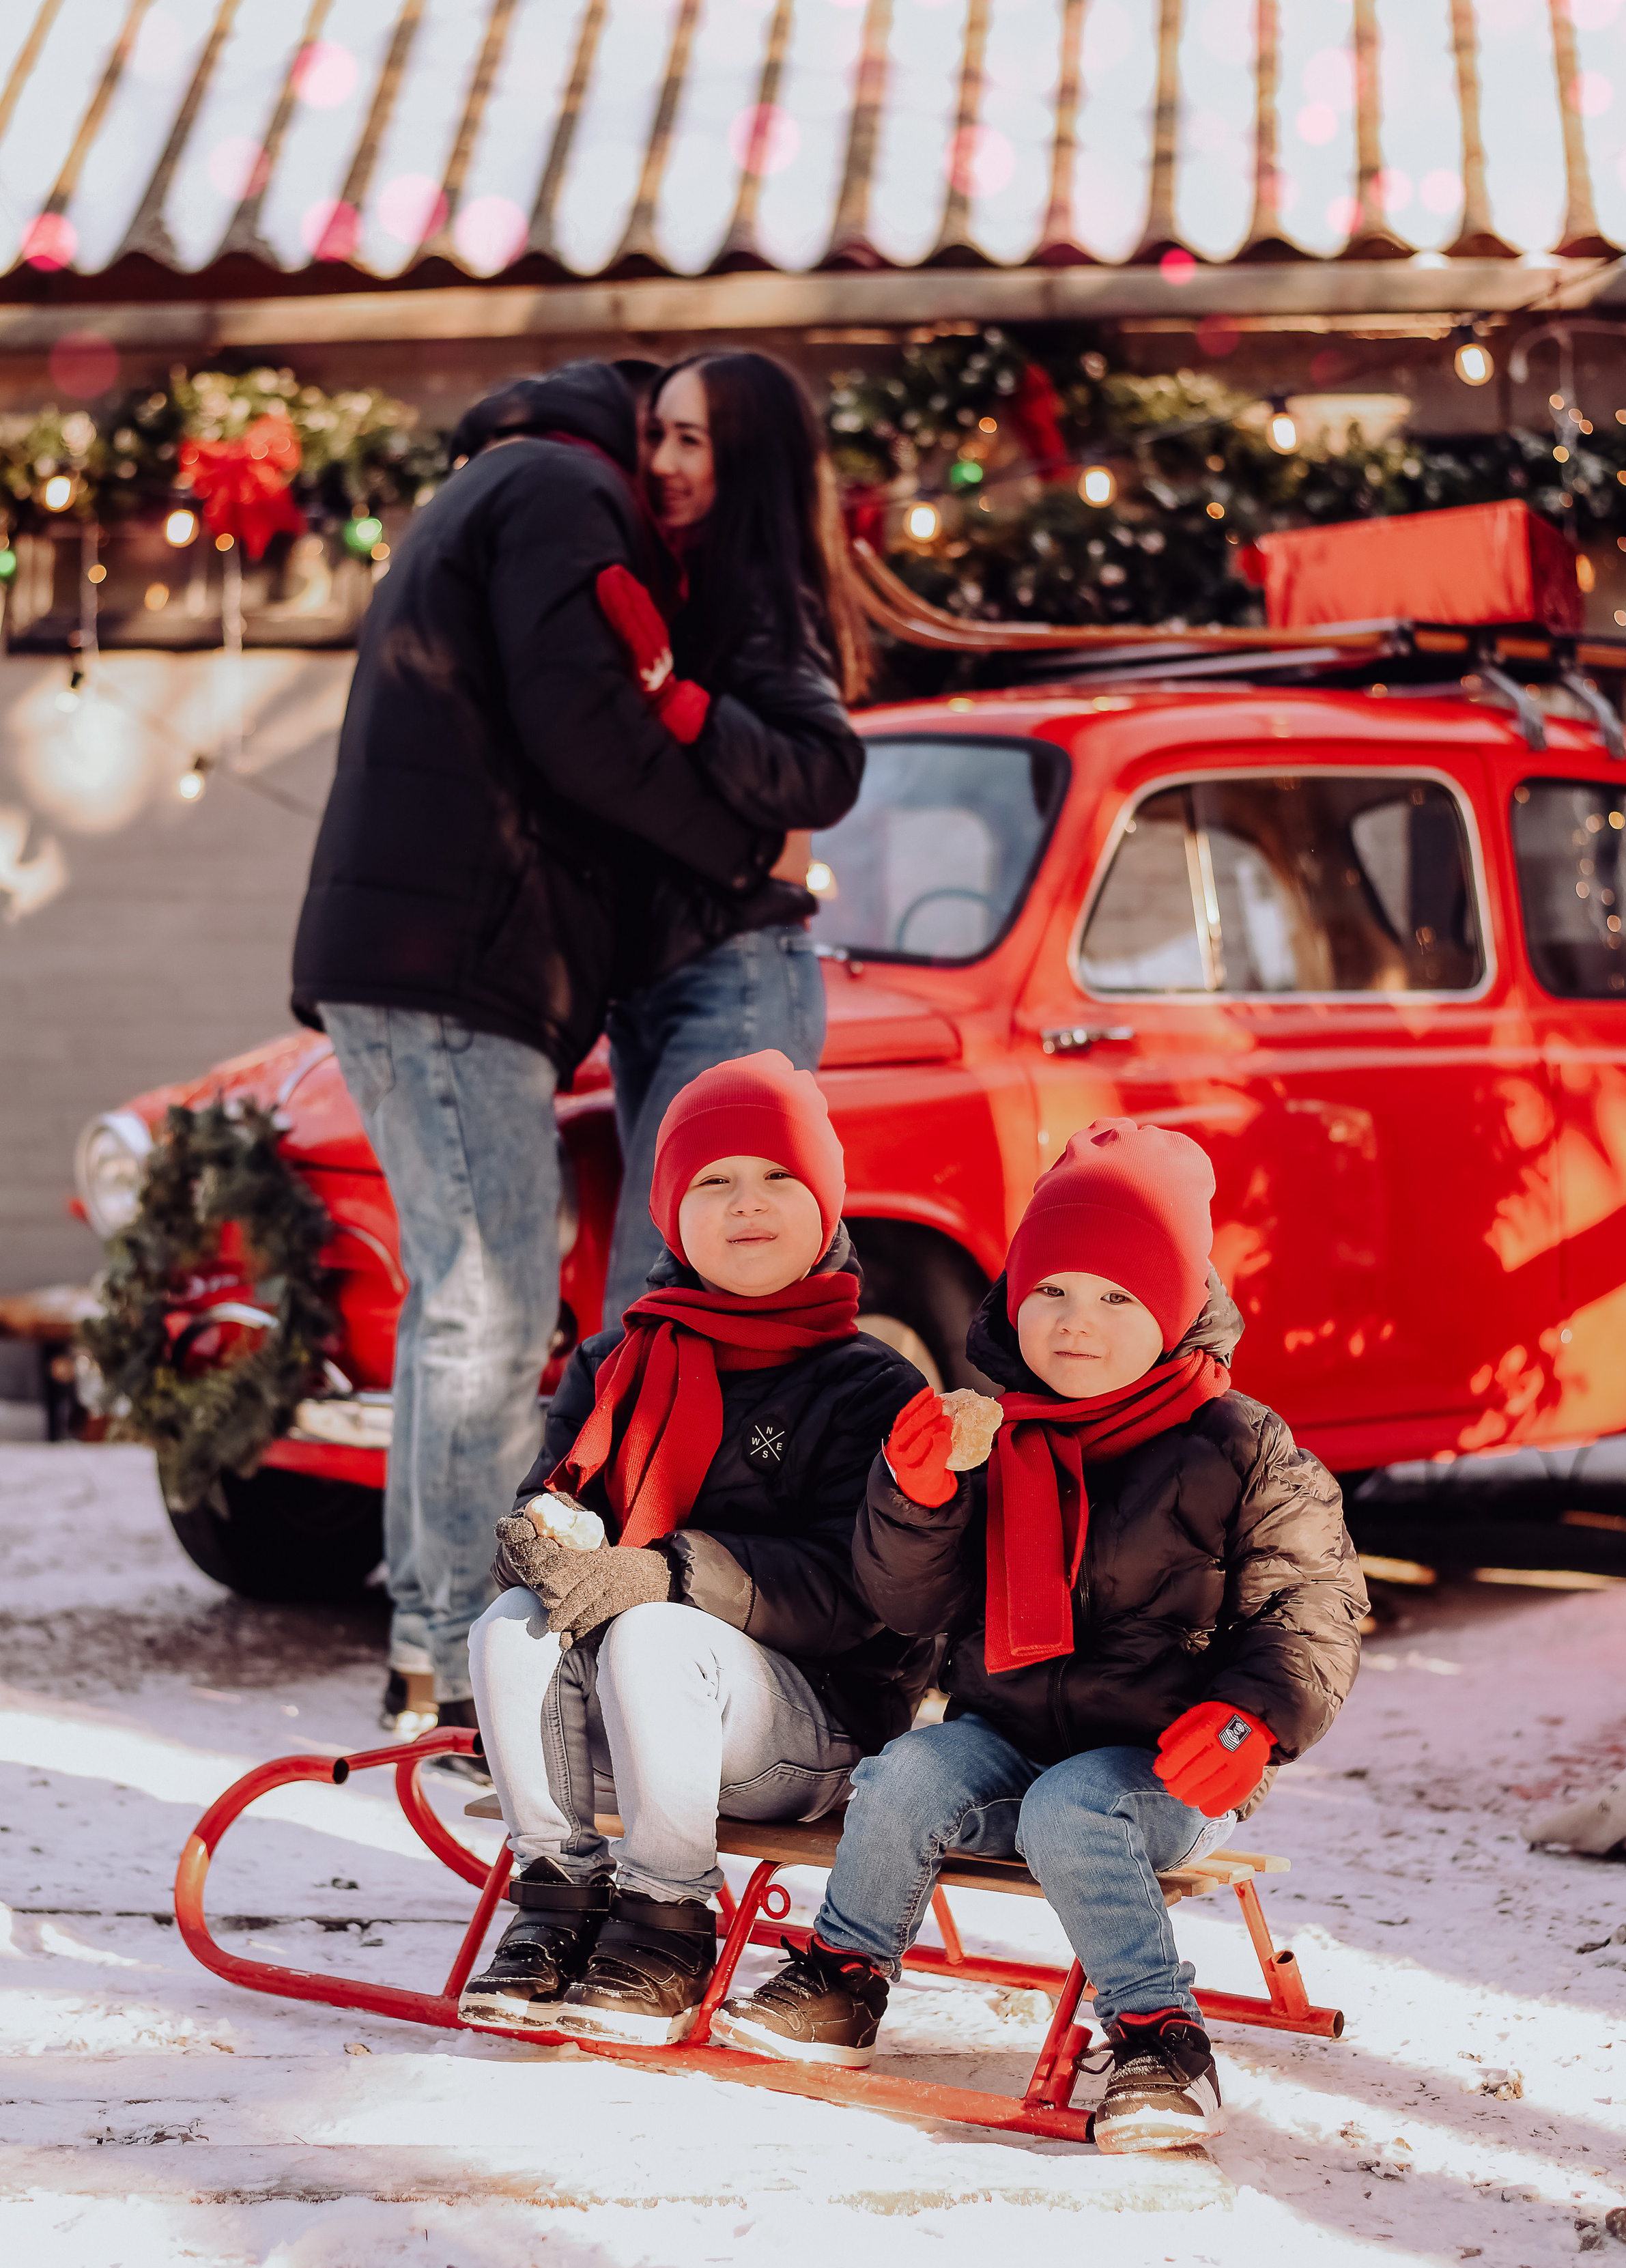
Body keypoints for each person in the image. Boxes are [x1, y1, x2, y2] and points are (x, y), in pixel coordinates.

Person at [289, 362, 783, 1733]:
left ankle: (424, 1645)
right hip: (450, 964)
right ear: (626, 433)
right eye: (667, 439)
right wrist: (746, 845)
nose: (677, 474)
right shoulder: (566, 495)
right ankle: (456, 1663)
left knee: (466, 1306)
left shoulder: (486, 491)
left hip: (419, 959)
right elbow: (588, 729)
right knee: (489, 1311)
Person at [722, 1120, 1369, 2154]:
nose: (1076, 1322)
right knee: (907, 1774)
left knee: (1076, 1806)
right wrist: (916, 1498)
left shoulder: (1244, 1446)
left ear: (1171, 1311)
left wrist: (1254, 1716)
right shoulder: (991, 1428)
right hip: (1009, 1730)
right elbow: (911, 1605)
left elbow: (1313, 1607)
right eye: (1052, 1291)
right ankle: (842, 1979)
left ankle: (1162, 2041)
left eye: (1117, 1297)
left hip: (1170, 1763)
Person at [459, 1051, 935, 2045]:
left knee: (652, 1635)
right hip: (627, 1734)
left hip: (811, 1730)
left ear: (826, 1206)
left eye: (777, 1179)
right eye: (713, 1182)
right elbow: (555, 1504)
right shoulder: (612, 1362)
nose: (746, 1204)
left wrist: (667, 1571)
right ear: (675, 1213)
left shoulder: (868, 1387)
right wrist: (537, 1541)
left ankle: (670, 1920)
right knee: (511, 1622)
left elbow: (862, 1595)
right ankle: (558, 1896)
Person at [596, 349, 872, 1326]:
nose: (662, 461)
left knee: (654, 1298)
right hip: (679, 977)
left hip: (736, 973)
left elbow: (824, 767)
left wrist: (679, 701)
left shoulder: (760, 596)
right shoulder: (698, 582)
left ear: (745, 459)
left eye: (690, 440)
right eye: (655, 436)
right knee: (668, 1300)